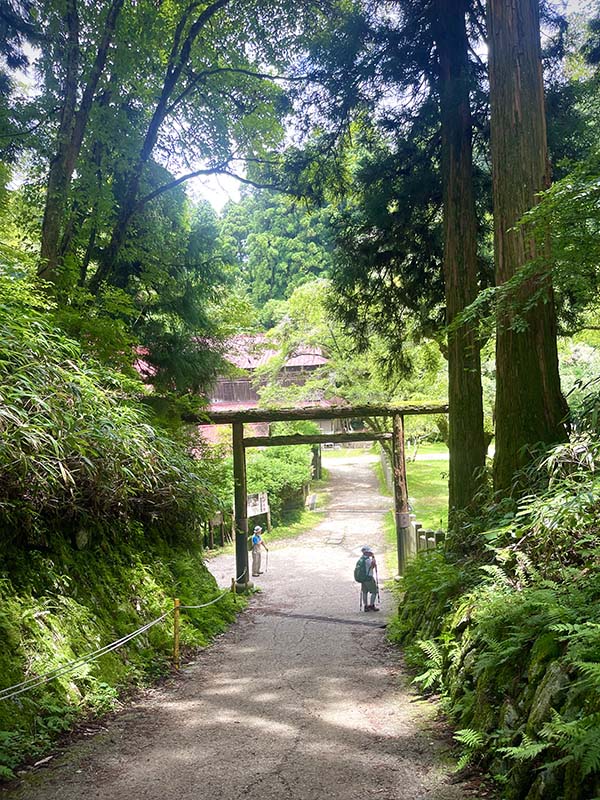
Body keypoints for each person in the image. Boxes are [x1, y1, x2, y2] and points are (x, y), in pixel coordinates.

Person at [356, 545, 379, 612]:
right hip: (369, 578)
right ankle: (371, 605)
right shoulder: (368, 560)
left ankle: (366, 606)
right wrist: (373, 557)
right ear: (366, 552)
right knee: (374, 591)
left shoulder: (361, 559)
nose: (370, 553)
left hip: (363, 578)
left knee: (365, 592)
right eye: (369, 552)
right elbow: (373, 566)